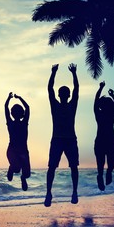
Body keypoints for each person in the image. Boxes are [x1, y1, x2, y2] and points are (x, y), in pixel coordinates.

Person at [44, 63, 79, 207]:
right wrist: (53, 73)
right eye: (62, 93)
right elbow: (49, 89)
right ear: (60, 95)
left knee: (73, 167)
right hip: (58, 139)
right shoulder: (55, 105)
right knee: (52, 167)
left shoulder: (72, 105)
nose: (64, 95)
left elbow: (77, 89)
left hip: (69, 139)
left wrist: (74, 73)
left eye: (66, 93)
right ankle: (48, 193)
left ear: (68, 95)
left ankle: (75, 192)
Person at [93, 81, 114, 191]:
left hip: (105, 140)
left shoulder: (106, 114)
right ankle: (102, 175)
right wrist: (111, 94)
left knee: (108, 162)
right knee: (103, 162)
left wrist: (101, 89)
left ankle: (106, 173)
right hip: (107, 140)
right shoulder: (102, 114)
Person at [4, 92, 31, 191]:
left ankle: (23, 178)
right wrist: (18, 98)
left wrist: (11, 98)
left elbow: (27, 108)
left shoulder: (23, 123)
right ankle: (12, 168)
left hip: (23, 151)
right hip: (13, 150)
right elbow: (6, 108)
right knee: (16, 169)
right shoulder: (11, 123)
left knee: (27, 174)